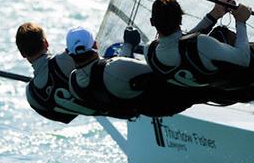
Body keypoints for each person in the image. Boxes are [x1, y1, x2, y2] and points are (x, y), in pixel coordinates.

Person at [66, 26, 195, 119]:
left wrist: (128, 45)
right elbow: (161, 67)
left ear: (68, 52)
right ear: (95, 45)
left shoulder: (74, 83)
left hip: (144, 110)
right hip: (171, 101)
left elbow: (111, 73)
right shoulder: (116, 67)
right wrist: (129, 43)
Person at [15, 22, 79, 124]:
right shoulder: (66, 59)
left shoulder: (31, 95)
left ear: (22, 54)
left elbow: (64, 118)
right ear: (46, 43)